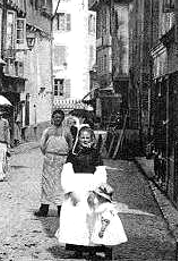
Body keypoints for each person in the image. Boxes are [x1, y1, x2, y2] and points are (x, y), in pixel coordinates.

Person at [57, 124, 107, 258]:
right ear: (78, 139)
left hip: (90, 189)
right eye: (82, 137)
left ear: (92, 139)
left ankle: (92, 249)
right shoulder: (73, 154)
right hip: (76, 189)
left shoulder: (96, 154)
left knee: (91, 218)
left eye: (88, 138)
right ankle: (77, 248)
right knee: (75, 219)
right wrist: (70, 190)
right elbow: (66, 173)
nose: (85, 140)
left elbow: (101, 174)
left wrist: (95, 191)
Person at [35, 109, 73, 217]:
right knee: (46, 183)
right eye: (55, 117)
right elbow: (42, 145)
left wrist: (63, 155)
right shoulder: (47, 131)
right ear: (52, 118)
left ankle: (61, 209)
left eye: (59, 117)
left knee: (60, 184)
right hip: (49, 160)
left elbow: (70, 145)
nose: (57, 119)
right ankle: (44, 209)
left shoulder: (66, 131)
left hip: (62, 160)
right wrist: (49, 155)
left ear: (62, 119)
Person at [89, 184, 127, 260]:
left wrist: (102, 230)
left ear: (102, 198)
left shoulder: (105, 207)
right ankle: (107, 256)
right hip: (106, 226)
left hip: (107, 228)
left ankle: (108, 257)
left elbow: (106, 220)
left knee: (108, 242)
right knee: (106, 242)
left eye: (98, 196)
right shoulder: (105, 205)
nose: (96, 198)